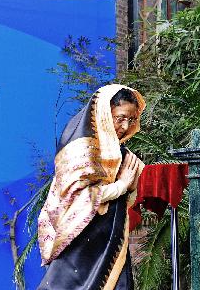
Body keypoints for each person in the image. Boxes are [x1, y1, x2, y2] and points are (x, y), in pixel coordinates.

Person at [37, 84, 146, 290]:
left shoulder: (122, 153)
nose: (125, 126)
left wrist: (132, 186)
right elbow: (78, 196)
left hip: (112, 239)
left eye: (131, 120)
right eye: (120, 118)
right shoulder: (81, 149)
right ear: (105, 113)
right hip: (79, 241)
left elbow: (136, 189)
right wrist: (121, 186)